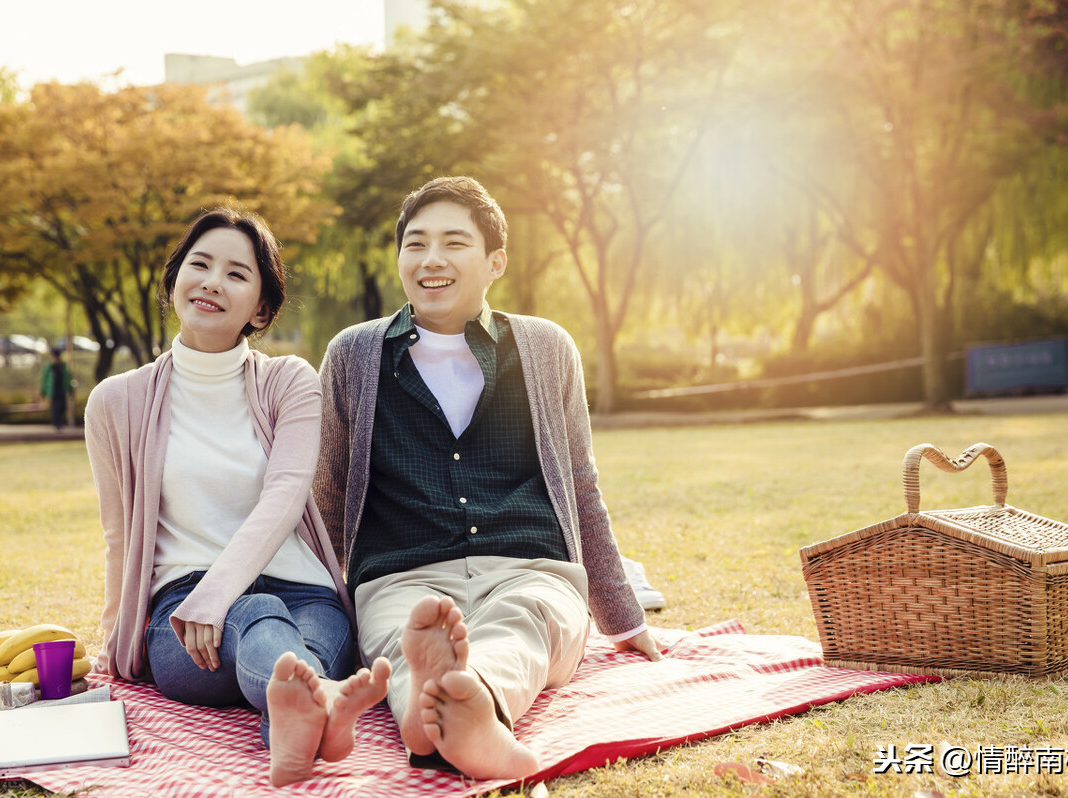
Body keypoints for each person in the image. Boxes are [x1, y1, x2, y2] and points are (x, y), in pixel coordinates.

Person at [286, 176, 662, 784]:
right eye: (416, 243)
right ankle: (441, 708)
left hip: (531, 568)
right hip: (402, 575)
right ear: (401, 258)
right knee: (403, 637)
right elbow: (324, 495)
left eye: (453, 243)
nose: (431, 260)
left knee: (524, 621)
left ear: (495, 262)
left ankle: (463, 704)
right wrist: (324, 613)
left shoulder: (545, 348)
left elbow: (580, 487)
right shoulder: (354, 354)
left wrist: (624, 618)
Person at [83, 208, 389, 787]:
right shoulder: (115, 402)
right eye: (199, 265)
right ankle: (322, 698)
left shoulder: (289, 382)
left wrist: (217, 594)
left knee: (290, 643)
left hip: (308, 598)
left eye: (236, 274)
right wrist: (117, 637)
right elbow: (119, 534)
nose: (212, 282)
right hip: (182, 618)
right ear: (174, 280)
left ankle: (300, 727)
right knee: (258, 617)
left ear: (262, 309)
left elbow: (285, 494)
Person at [40, 349, 73, 430]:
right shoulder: (50, 368)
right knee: (55, 408)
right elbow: (44, 379)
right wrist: (43, 390)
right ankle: (57, 424)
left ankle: (59, 423)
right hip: (53, 391)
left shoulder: (63, 367)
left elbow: (68, 378)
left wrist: (70, 388)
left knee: (62, 407)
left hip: (61, 391)